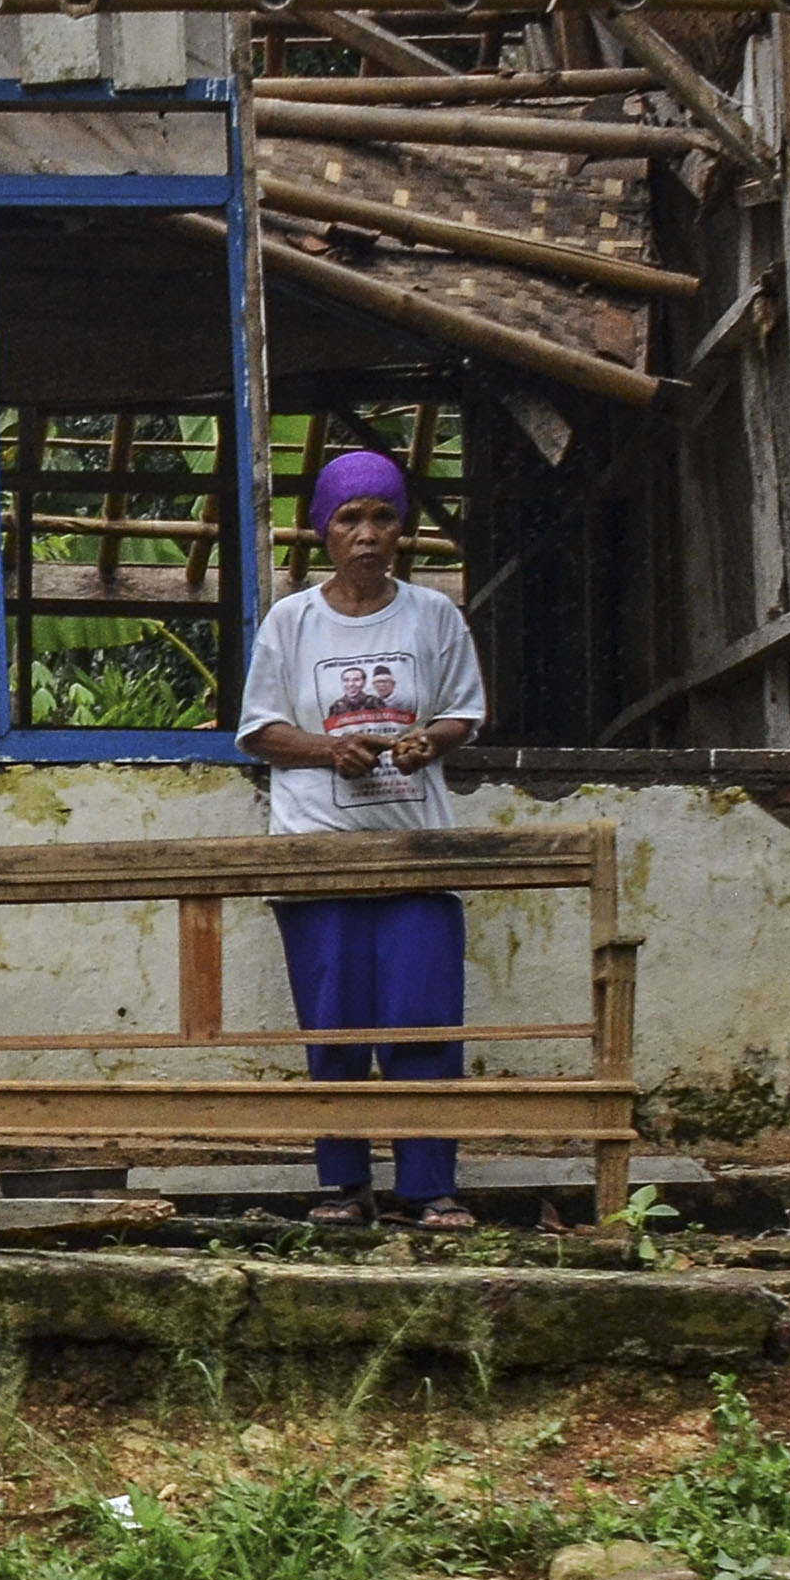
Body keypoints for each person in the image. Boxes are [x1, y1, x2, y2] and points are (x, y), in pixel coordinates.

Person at [237, 449, 484, 1231]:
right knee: (335, 1026)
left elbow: (461, 712)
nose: (367, 533)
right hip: (318, 850)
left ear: (402, 527)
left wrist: (426, 743)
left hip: (414, 850)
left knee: (421, 1019)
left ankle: (428, 1186)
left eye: (382, 515)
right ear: (321, 530)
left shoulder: (433, 616)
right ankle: (343, 1184)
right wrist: (324, 748)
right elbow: (257, 731)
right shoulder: (291, 622)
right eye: (348, 517)